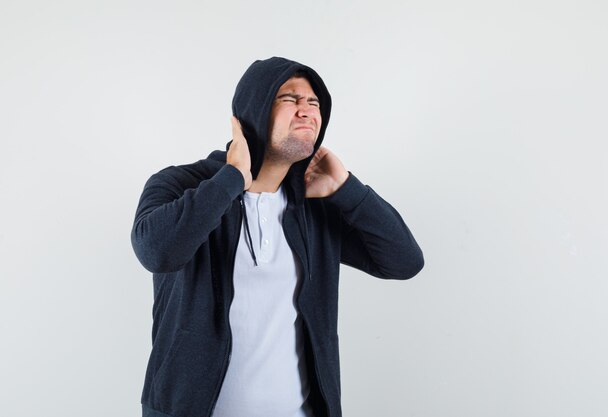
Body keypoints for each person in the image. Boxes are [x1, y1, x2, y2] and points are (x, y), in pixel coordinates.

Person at [131, 56, 424, 417]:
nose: (306, 111)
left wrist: (347, 189)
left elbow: (404, 261)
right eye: (289, 99)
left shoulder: (314, 205)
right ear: (252, 111)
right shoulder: (181, 185)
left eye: (314, 103)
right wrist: (231, 178)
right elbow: (158, 252)